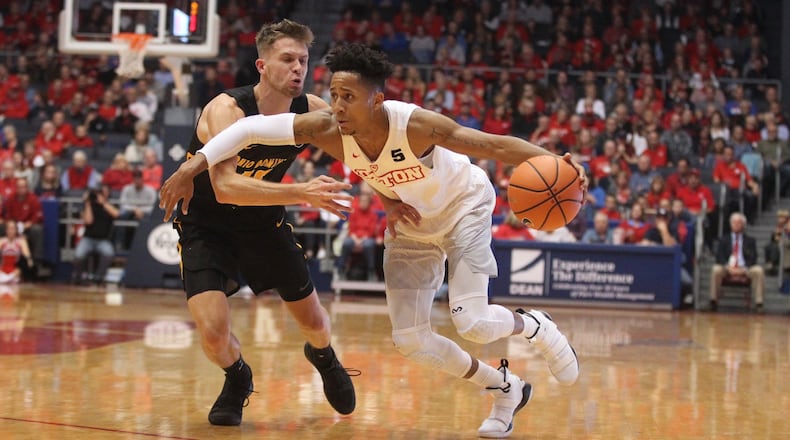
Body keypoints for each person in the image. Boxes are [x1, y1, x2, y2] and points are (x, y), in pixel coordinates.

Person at [160, 43, 584, 438]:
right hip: (413, 223)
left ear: (375, 100)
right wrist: (192, 166)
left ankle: (536, 327)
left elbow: (493, 145)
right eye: (334, 93)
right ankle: (505, 386)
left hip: (464, 208)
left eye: (348, 96)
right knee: (411, 340)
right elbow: (247, 131)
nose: (337, 105)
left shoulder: (415, 125)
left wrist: (553, 161)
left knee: (471, 322)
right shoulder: (327, 128)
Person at [159, 20, 357, 426]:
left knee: (317, 324)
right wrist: (302, 192)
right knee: (213, 333)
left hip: (263, 224)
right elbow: (227, 185)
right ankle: (237, 377)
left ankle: (323, 356)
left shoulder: (312, 110)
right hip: (206, 226)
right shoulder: (226, 109)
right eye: (287, 59)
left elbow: (360, 156)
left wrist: (391, 201)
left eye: (303, 60)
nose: (298, 68)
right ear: (262, 65)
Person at [709, 212, 764, 312]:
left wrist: (743, 269)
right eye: (734, 223)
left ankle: (759, 303)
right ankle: (713, 301)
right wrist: (728, 267)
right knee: (716, 269)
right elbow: (719, 257)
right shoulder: (723, 239)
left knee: (758, 270)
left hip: (744, 268)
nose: (736, 225)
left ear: (743, 225)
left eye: (739, 223)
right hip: (727, 268)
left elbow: (753, 258)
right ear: (730, 224)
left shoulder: (750, 241)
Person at [71, 185, 118, 285]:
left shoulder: (110, 205)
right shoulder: (90, 205)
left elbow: (116, 214)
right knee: (78, 255)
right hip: (88, 239)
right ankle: (79, 277)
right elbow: (88, 221)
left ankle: (98, 278)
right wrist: (87, 203)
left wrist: (103, 203)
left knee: (108, 254)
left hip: (103, 240)